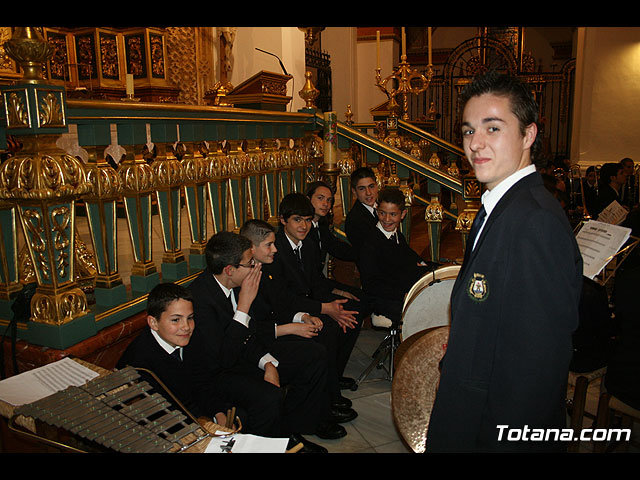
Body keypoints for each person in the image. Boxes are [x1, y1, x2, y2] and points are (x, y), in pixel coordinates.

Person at [426, 71, 583, 452]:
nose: (475, 143)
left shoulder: (536, 222)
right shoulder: (502, 206)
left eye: (492, 128)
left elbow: (537, 369)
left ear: (528, 136)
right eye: (468, 131)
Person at [187, 231, 333, 452]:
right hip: (218, 372)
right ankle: (269, 445)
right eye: (250, 262)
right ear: (229, 270)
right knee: (268, 395)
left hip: (243, 355)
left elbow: (251, 333)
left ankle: (293, 431)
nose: (256, 266)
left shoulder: (238, 283)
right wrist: (244, 306)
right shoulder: (200, 300)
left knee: (313, 356)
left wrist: (268, 363)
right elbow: (223, 358)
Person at [261, 193, 367, 403]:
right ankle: (328, 396)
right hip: (288, 312)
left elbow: (316, 282)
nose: (304, 226)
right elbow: (283, 298)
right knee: (329, 329)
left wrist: (335, 299)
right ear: (283, 220)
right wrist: (325, 308)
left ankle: (333, 378)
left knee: (354, 308)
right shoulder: (275, 250)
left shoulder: (308, 245)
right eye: (297, 220)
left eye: (308, 220)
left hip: (308, 304)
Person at [116, 283, 236, 426]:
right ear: (153, 322)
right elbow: (155, 417)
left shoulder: (190, 336)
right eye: (176, 320)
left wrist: (218, 413)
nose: (186, 327)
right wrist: (201, 424)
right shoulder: (138, 364)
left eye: (190, 318)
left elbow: (202, 382)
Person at [357, 187, 437, 327]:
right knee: (428, 310)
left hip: (402, 291)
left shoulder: (398, 236)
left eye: (393, 214)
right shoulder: (369, 242)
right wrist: (405, 295)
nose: (387, 219)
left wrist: (437, 268)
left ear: (403, 214)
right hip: (382, 299)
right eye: (382, 213)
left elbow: (414, 261)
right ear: (377, 211)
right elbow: (371, 285)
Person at [305, 180, 370, 313]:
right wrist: (337, 291)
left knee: (363, 298)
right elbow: (310, 276)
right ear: (308, 199)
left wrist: (370, 252)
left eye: (329, 200)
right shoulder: (302, 231)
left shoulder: (321, 227)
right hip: (310, 289)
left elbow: (339, 249)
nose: (325, 204)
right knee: (355, 304)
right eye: (320, 198)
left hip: (320, 283)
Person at [344, 167, 379, 253]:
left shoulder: (383, 207)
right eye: (362, 188)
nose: (368, 193)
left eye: (371, 186)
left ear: (377, 186)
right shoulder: (354, 219)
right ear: (354, 192)